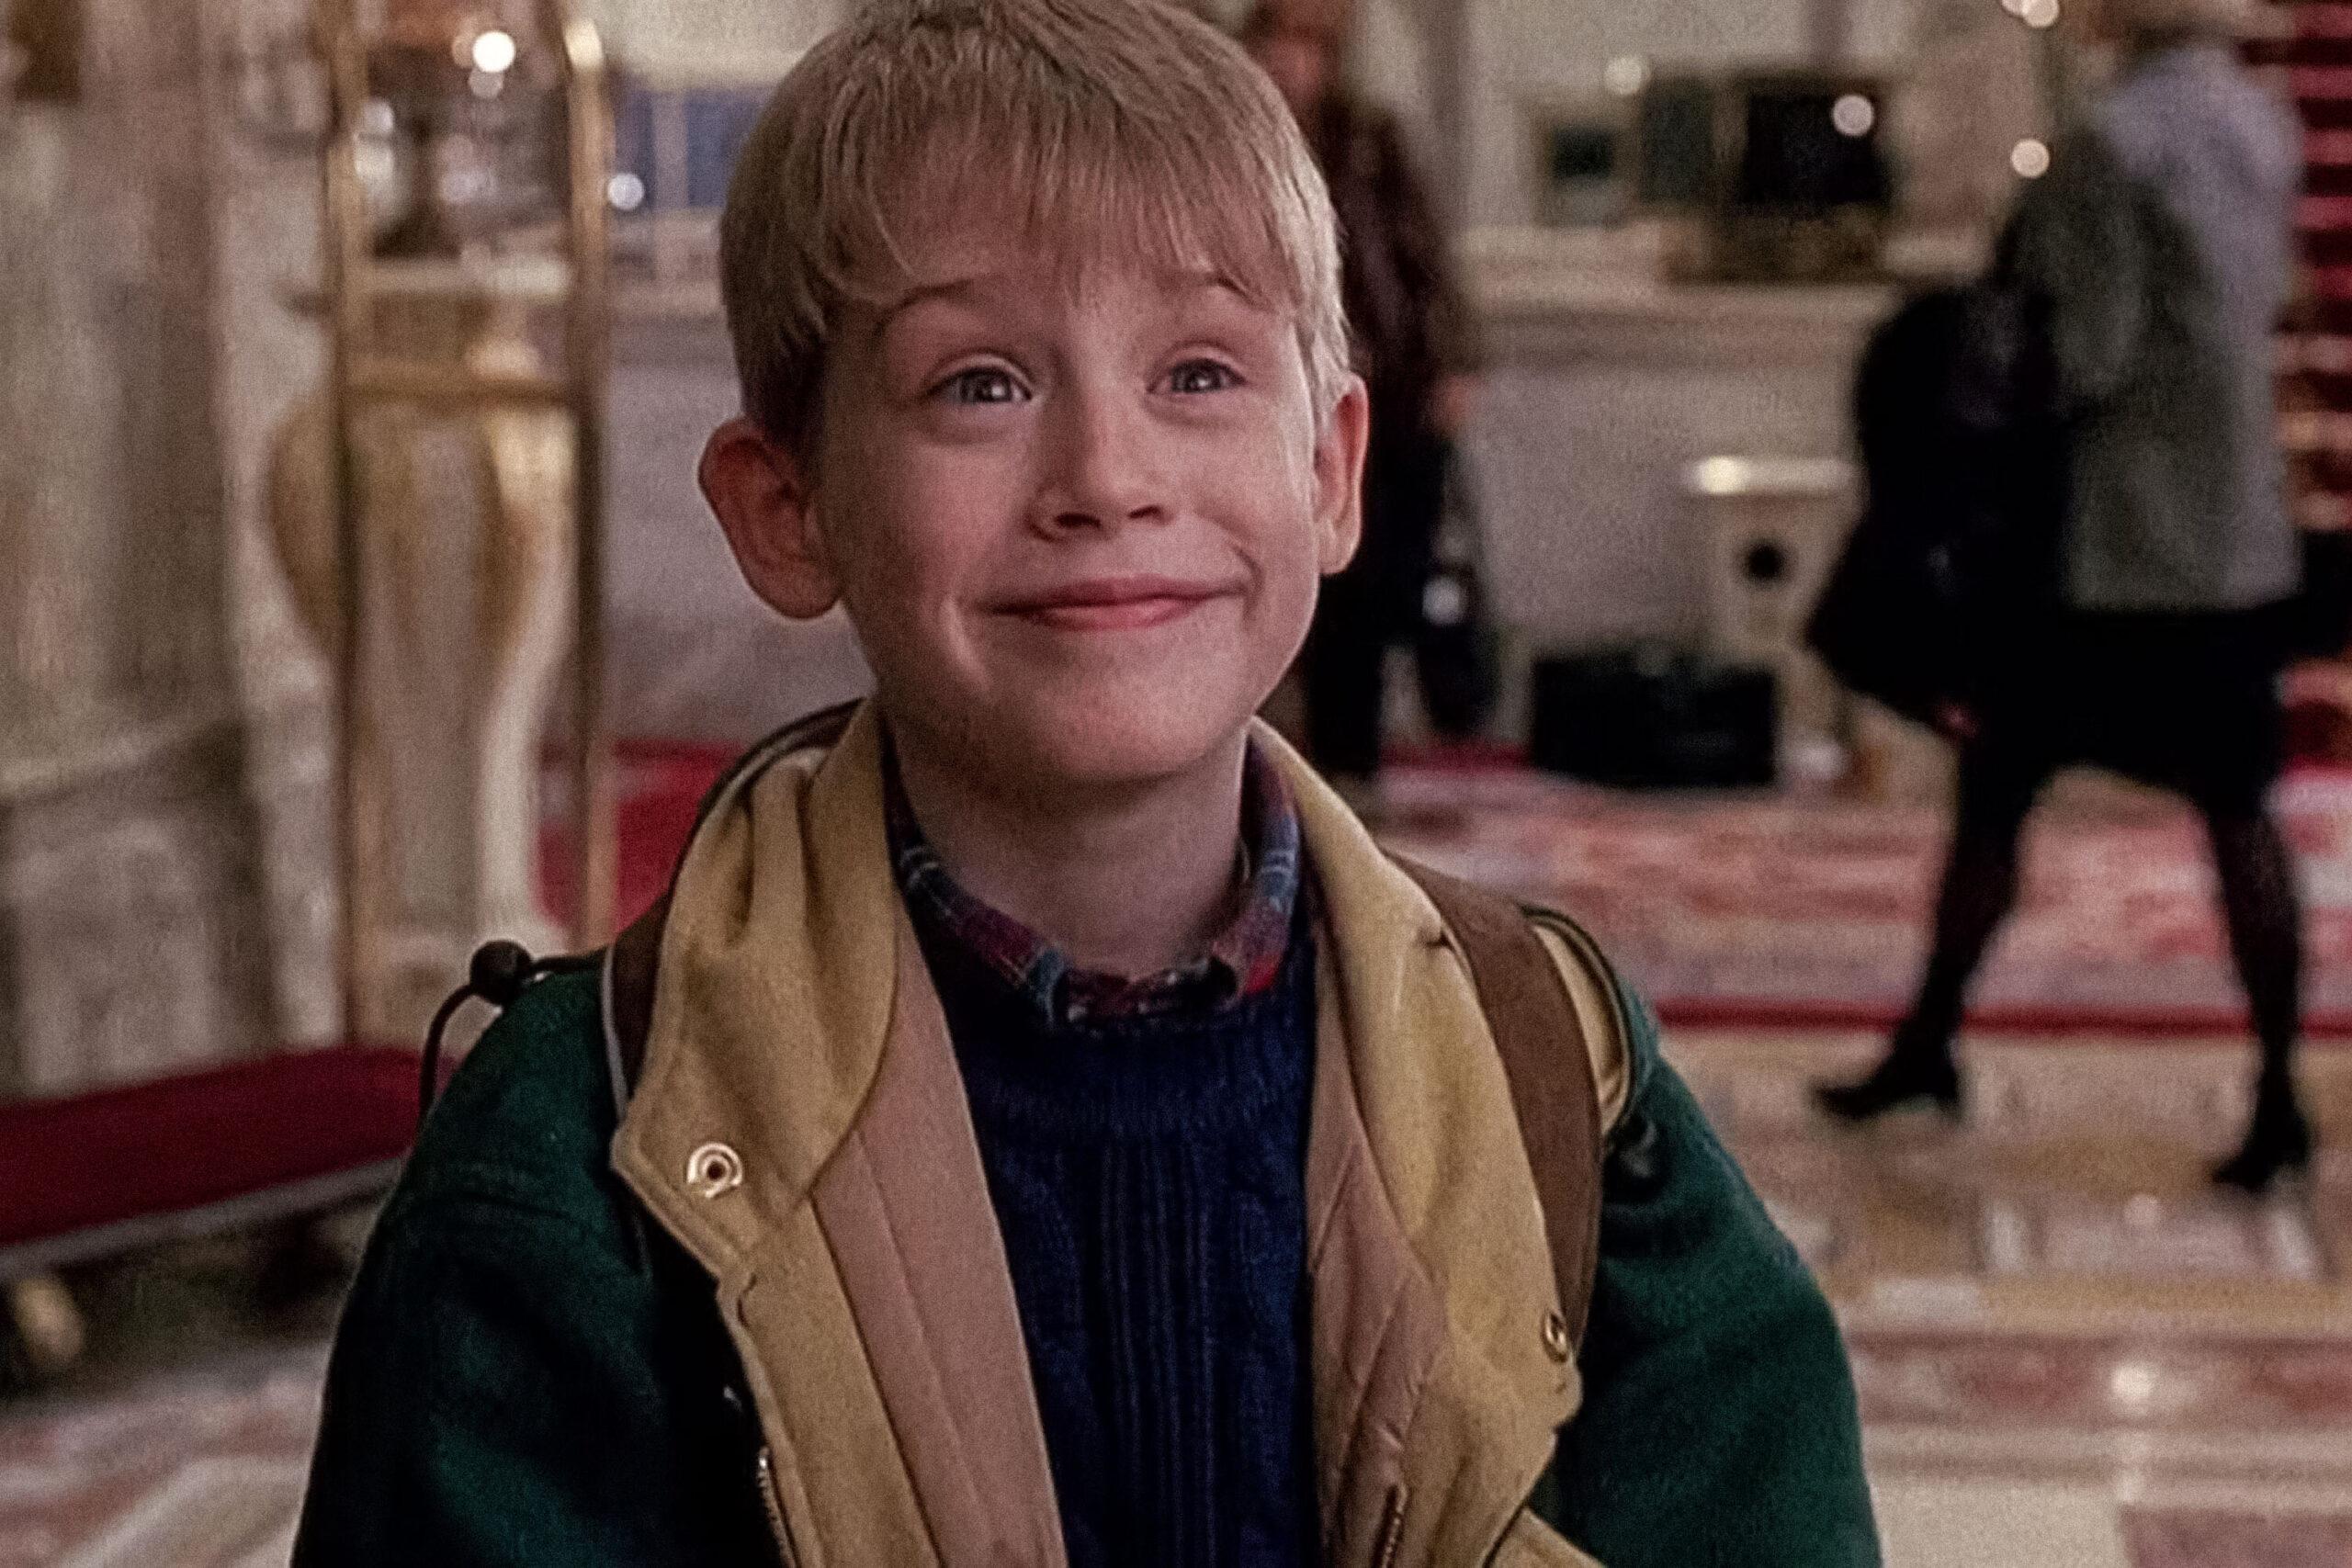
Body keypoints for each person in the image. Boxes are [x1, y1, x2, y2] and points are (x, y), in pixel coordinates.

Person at [291, 0, 1879, 1562]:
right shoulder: (587, 1154)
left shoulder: (1551, 1082)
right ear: (788, 508)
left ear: (1331, 470)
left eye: (1197, 372)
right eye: (979, 383)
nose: (1109, 480)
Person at [1815, 0, 2312, 1195]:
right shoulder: (2262, 122)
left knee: (1996, 794)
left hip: (2111, 543)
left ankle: (1928, 1043)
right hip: (2230, 528)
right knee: (2235, 810)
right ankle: (2277, 1088)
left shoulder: (2109, 143)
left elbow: (2087, 353)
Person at [1242, 0, 1481, 787]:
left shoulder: (1368, 140)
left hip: (1383, 390)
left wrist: (1454, 363)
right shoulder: (1228, 138)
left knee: (1376, 584)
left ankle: (1353, 766)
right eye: (1283, 37)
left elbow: (1423, 254)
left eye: (1314, 44)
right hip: (1274, 398)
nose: (1294, 60)